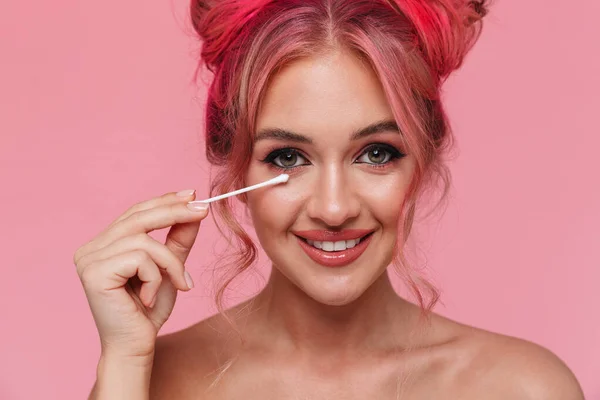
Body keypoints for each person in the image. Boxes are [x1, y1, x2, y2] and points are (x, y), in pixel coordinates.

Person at [73, 0, 585, 398]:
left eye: (377, 153)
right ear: (234, 164)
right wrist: (123, 362)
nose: (334, 209)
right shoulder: (147, 382)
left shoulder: (524, 388)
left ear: (422, 162)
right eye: (289, 158)